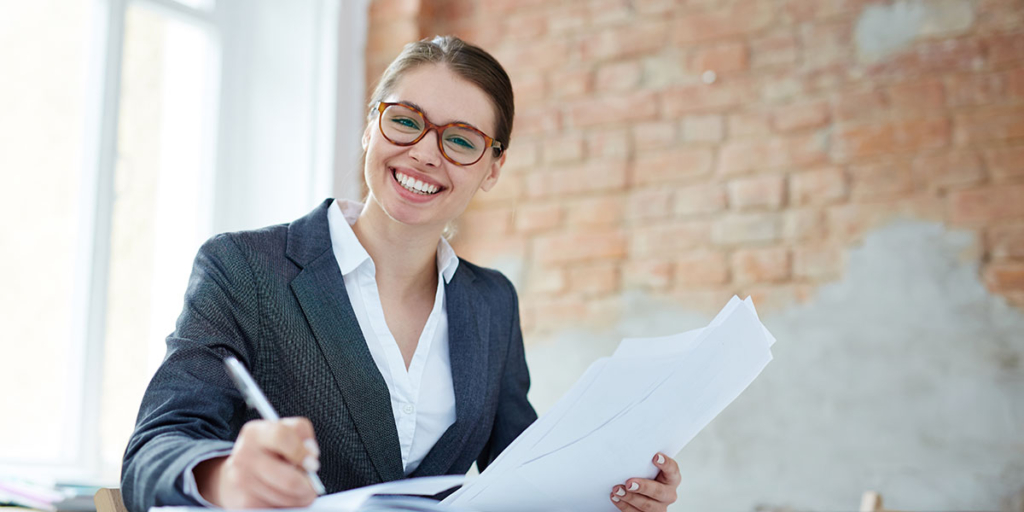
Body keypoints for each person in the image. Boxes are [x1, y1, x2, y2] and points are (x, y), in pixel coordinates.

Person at [120, 35, 681, 512]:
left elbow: (524, 477)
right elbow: (154, 447)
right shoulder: (244, 267)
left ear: (492, 168)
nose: (425, 153)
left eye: (460, 140)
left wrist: (614, 491)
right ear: (371, 127)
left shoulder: (491, 302)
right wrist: (223, 476)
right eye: (406, 121)